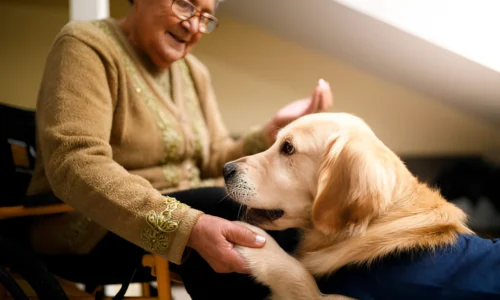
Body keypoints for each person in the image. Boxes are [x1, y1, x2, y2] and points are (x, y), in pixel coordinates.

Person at [25, 0, 332, 298]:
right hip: (89, 229)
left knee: (292, 219)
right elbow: (74, 163)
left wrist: (271, 130)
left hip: (187, 205)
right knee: (238, 212)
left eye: (205, 17)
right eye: (185, 4)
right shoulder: (85, 45)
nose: (194, 25)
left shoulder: (194, 72)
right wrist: (186, 225)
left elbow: (215, 157)